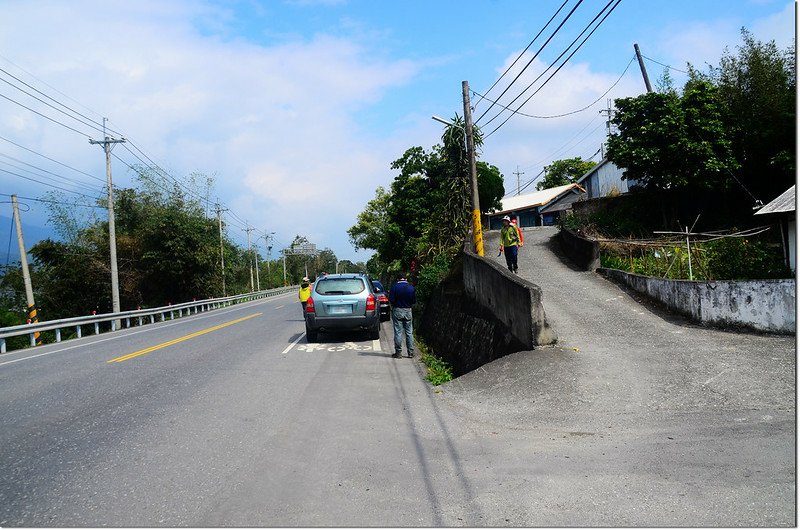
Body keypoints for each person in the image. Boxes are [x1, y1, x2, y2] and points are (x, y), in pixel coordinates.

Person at [388, 272, 416, 358]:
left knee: (398, 332)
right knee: (409, 332)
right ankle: (410, 352)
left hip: (397, 310)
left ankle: (398, 353)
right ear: (406, 278)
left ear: (398, 279)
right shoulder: (411, 287)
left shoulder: (394, 287)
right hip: (408, 310)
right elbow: (414, 301)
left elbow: (391, 300)